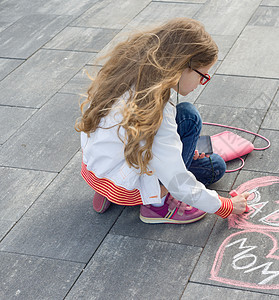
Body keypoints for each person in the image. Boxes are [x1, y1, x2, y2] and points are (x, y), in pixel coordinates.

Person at [75, 18, 249, 224]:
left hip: (99, 171)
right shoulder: (155, 111)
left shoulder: (125, 73)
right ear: (182, 67)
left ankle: (109, 191)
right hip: (128, 187)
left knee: (185, 119)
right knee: (214, 164)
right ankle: (158, 206)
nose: (201, 83)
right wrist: (226, 206)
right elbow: (178, 183)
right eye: (203, 76)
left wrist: (179, 150)